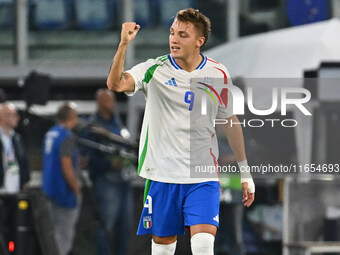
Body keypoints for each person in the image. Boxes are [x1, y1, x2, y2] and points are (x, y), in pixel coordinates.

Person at [107, 8, 255, 255]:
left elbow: (230, 120)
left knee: (204, 245)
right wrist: (123, 44)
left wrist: (245, 171)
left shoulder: (218, 73)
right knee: (163, 248)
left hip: (202, 175)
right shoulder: (154, 69)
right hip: (163, 175)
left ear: (200, 41)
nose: (174, 39)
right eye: (172, 33)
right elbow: (115, 84)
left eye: (182, 35)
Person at [82, 89, 133, 255]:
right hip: (106, 182)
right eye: (108, 101)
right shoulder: (93, 126)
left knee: (125, 226)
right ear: (100, 103)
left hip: (124, 181)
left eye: (112, 101)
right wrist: (109, 164)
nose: (112, 104)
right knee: (105, 226)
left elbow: (126, 145)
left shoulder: (117, 123)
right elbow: (88, 158)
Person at [41, 102, 81, 255]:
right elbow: (66, 165)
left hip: (48, 190)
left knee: (50, 234)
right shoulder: (66, 136)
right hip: (63, 192)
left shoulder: (50, 133)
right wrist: (76, 189)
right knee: (63, 236)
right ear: (71, 117)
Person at [0, 103, 30, 193]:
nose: (17, 118)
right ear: (3, 116)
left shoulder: (16, 138)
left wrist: (24, 180)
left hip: (15, 188)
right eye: (14, 115)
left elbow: (23, 160)